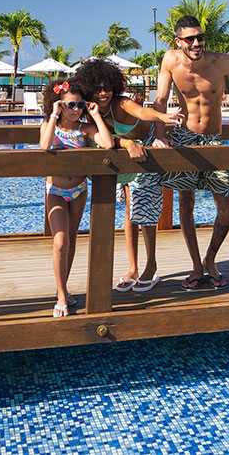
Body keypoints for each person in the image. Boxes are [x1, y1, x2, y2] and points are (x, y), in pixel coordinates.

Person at [153, 15, 229, 291]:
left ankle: (211, 259)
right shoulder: (170, 61)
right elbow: (160, 101)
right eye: (190, 39)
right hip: (184, 137)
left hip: (213, 140)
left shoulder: (222, 62)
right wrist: (161, 137)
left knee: (225, 207)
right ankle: (197, 265)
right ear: (178, 41)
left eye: (200, 37)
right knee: (186, 202)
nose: (197, 43)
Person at [73, 59, 183, 293]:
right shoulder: (90, 112)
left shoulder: (121, 103)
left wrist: (163, 118)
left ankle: (151, 265)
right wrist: (125, 141)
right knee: (130, 211)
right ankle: (132, 267)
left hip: (146, 149)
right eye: (98, 88)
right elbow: (100, 138)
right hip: (126, 152)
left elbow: (142, 111)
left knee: (144, 210)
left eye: (107, 87)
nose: (103, 92)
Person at [40, 78, 114, 317]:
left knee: (70, 240)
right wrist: (53, 115)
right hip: (56, 192)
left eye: (79, 104)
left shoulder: (85, 129)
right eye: (71, 105)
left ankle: (64, 288)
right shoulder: (50, 125)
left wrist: (95, 115)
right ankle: (61, 296)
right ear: (60, 105)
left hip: (79, 190)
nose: (76, 110)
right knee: (60, 241)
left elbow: (108, 144)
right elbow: (44, 146)